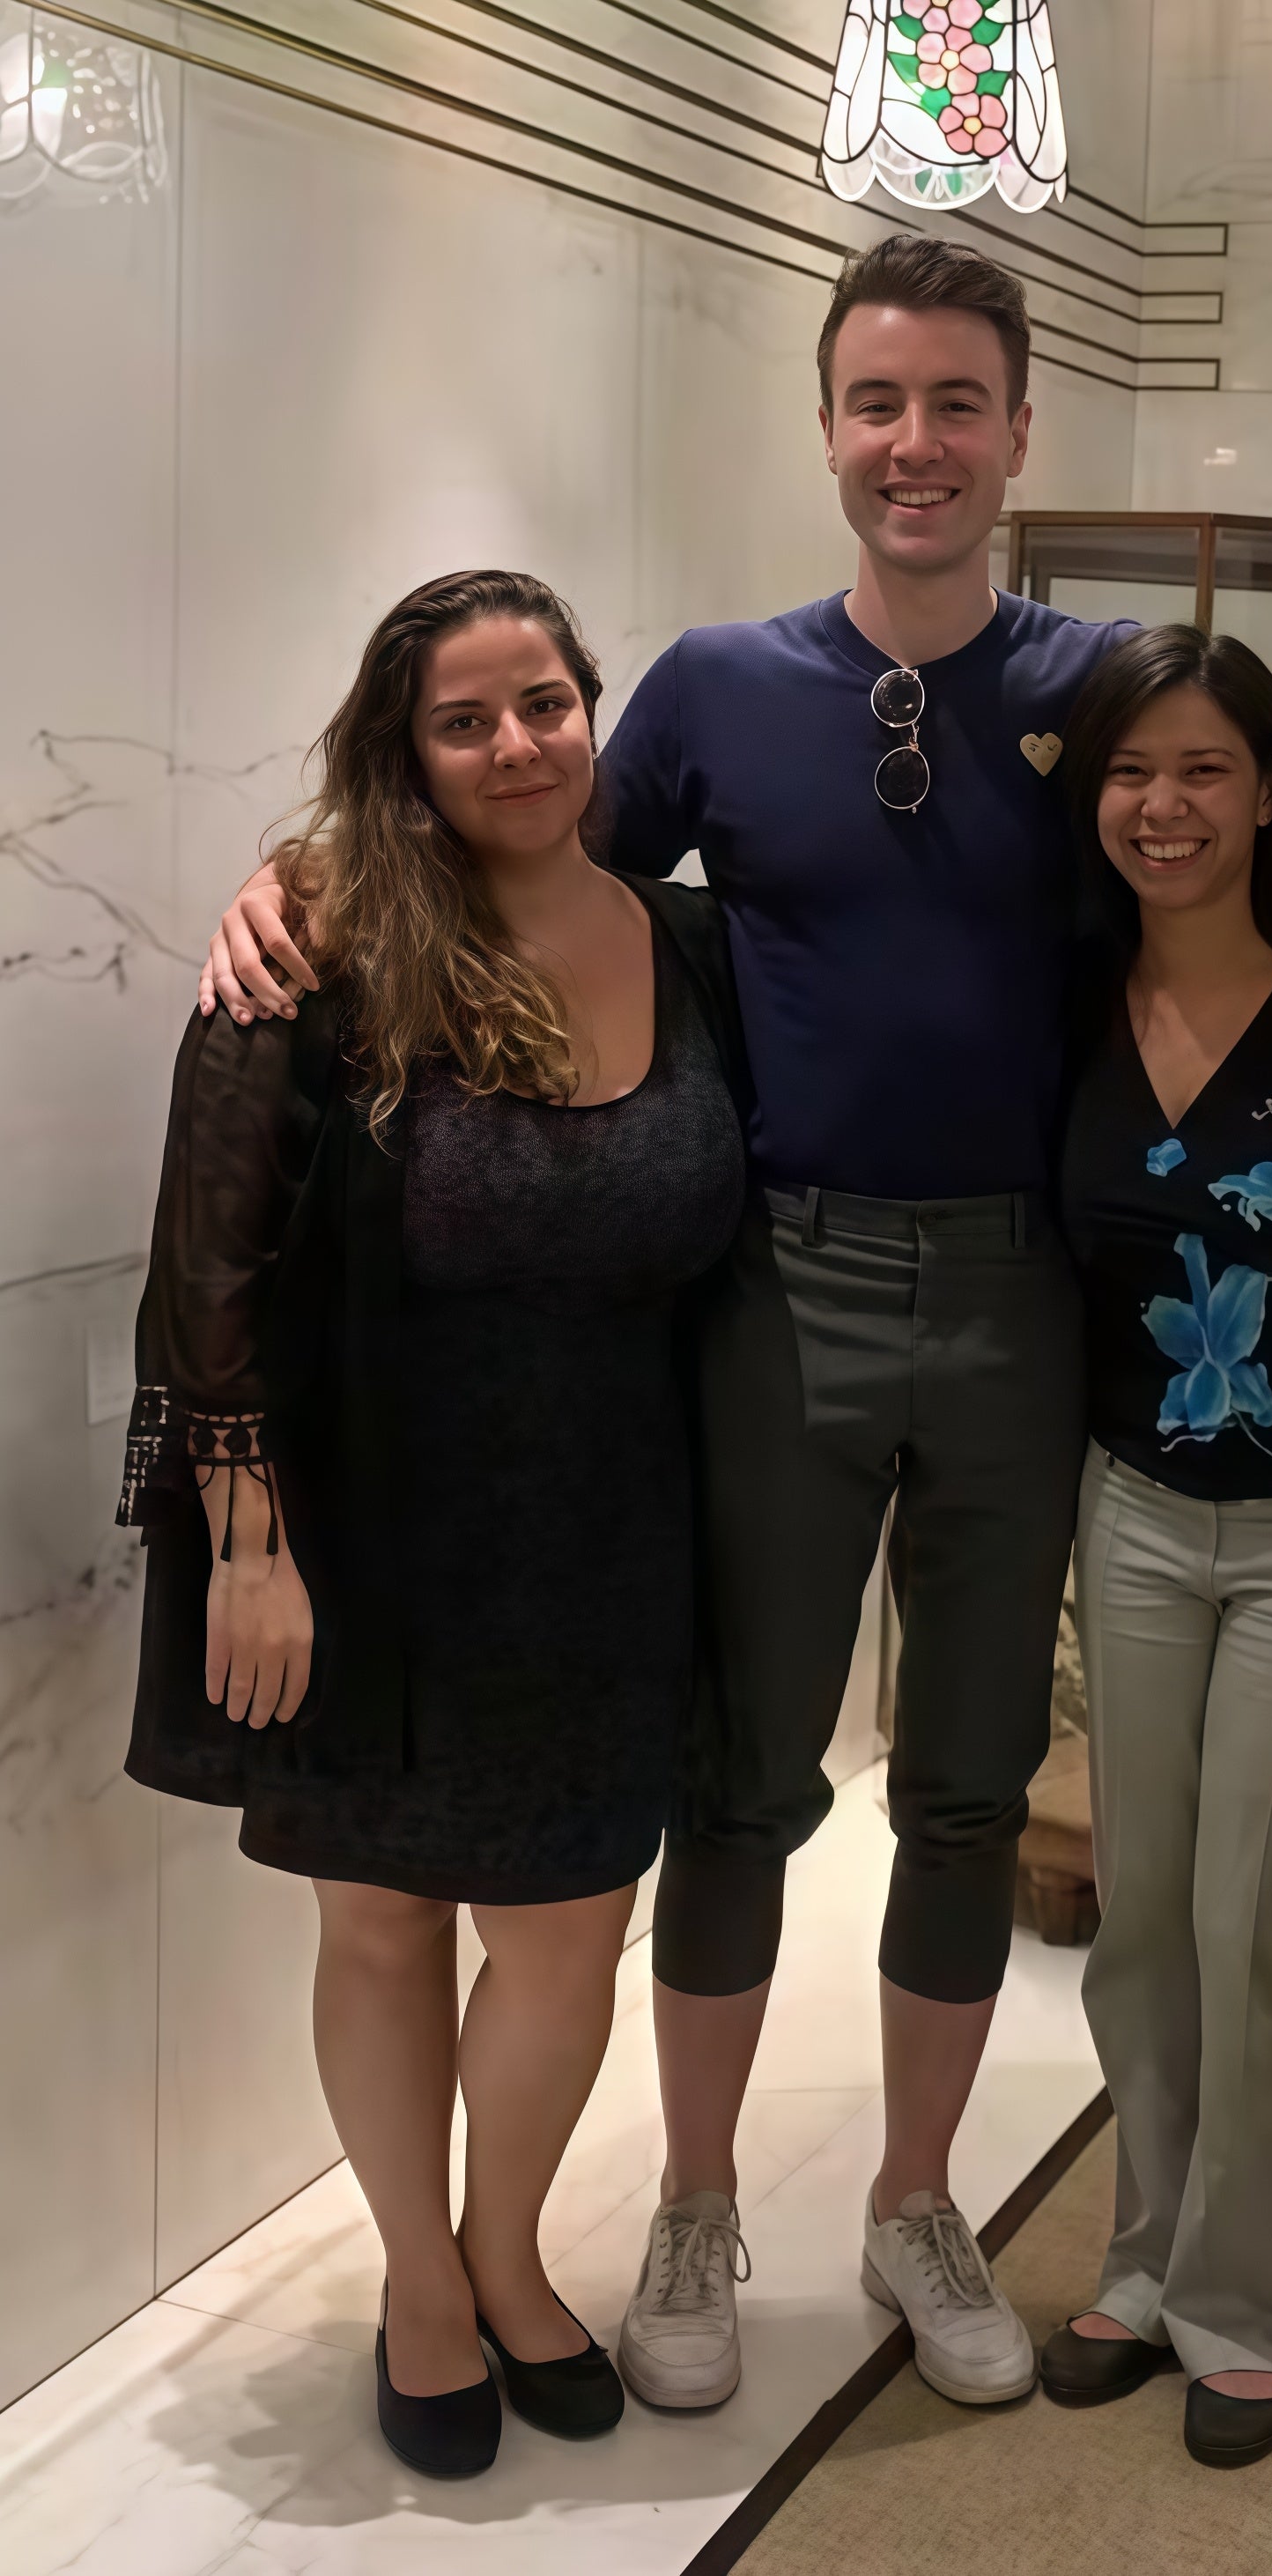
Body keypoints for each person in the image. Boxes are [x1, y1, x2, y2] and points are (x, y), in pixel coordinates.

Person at [193, 237, 1272, 2417]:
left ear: (1017, 431)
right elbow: (512, 843)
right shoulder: (709, 690)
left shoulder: (1101, 687)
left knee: (963, 1788)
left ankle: (914, 2197)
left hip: (1017, 1296)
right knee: (742, 1780)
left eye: (956, 402)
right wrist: (297, 875)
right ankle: (696, 2201)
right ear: (826, 426)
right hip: (778, 1287)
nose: (916, 443)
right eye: (876, 401)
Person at [122, 571, 746, 2477]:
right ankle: (419, 2281)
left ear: (592, 712)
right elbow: (204, 1268)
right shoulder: (317, 950)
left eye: (544, 702)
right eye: (463, 720)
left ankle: (505, 2248)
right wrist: (248, 1543)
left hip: (608, 1525)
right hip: (360, 1525)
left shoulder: (690, 942)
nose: (514, 745)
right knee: (386, 1923)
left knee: (567, 1931)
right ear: (404, 752)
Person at [1034, 626, 1272, 2467]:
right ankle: (1142, 2258)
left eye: (1205, 768)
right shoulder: (1067, 986)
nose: (1161, 807)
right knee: (1138, 1922)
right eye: (1128, 771)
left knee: (1256, 1927)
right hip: (1128, 1509)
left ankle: (1245, 2306)